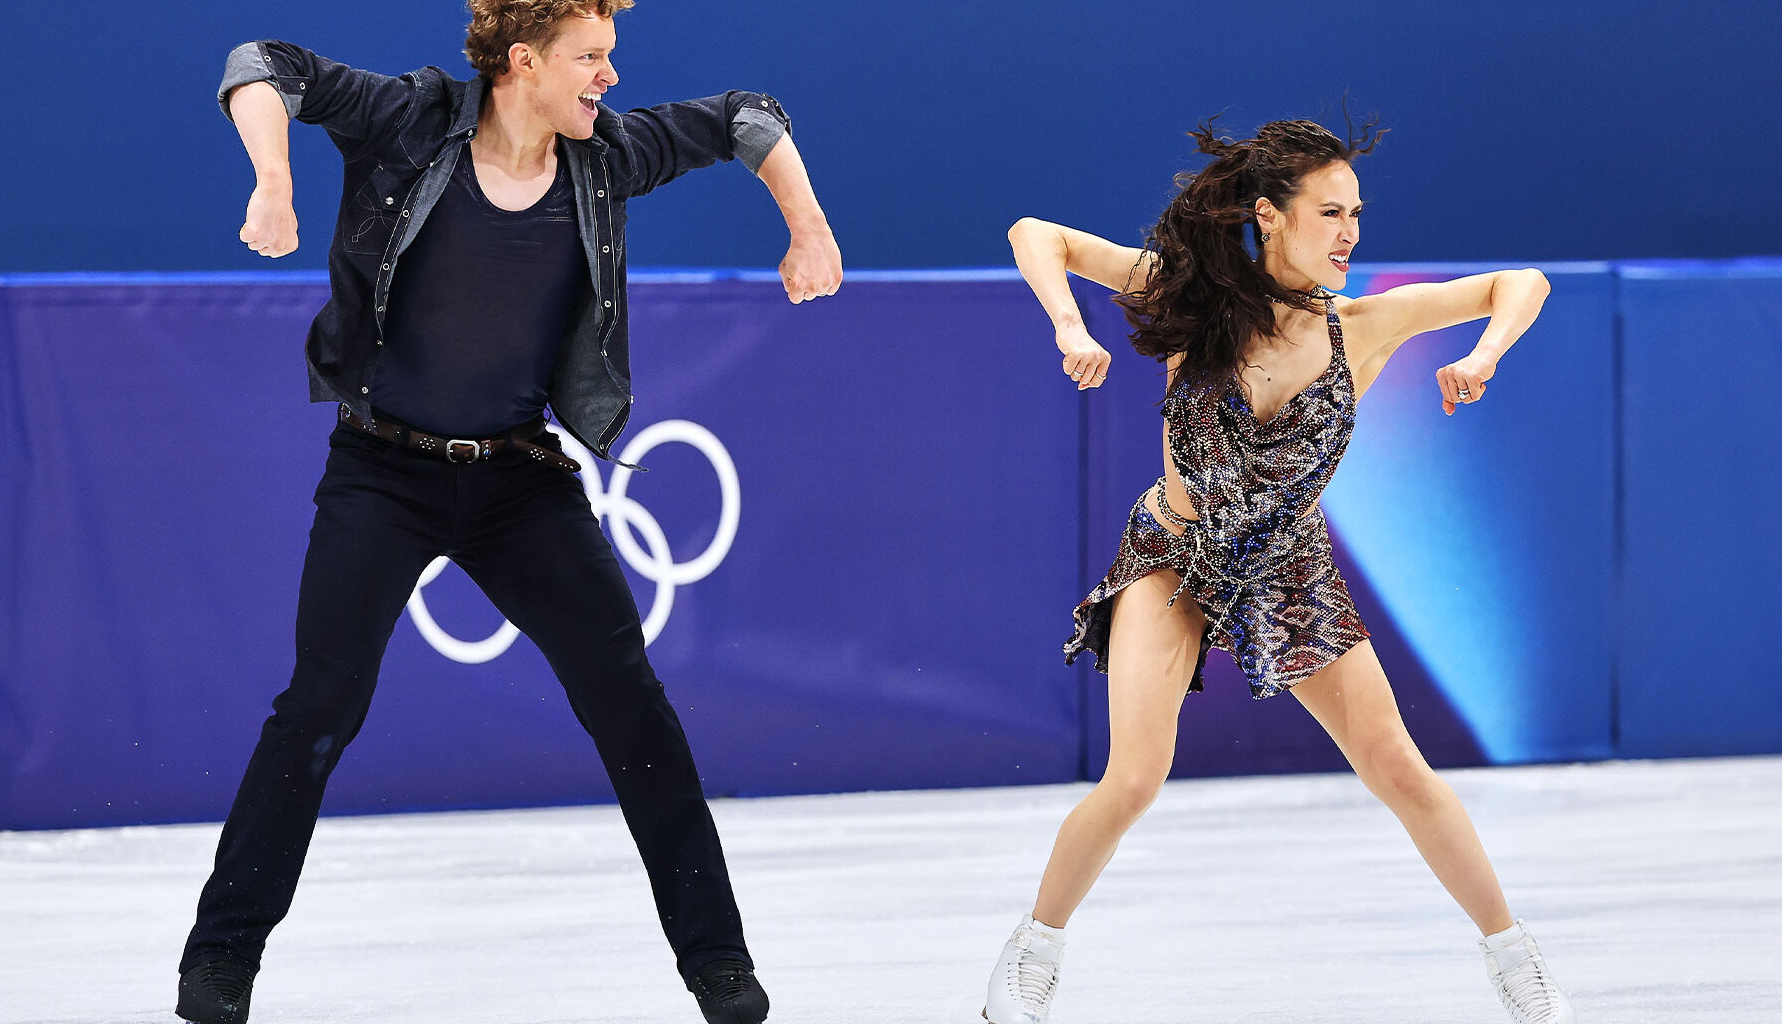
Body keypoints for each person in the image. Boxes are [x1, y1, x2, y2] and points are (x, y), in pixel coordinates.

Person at [177, 3, 841, 1023]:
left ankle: (719, 966)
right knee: (319, 706)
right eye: (592, 57)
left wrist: (809, 224)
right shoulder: (407, 120)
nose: (609, 77)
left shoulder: (606, 155)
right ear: (524, 62)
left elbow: (747, 117)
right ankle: (219, 963)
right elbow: (258, 63)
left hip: (520, 479)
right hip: (382, 472)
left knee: (631, 703)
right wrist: (274, 178)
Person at [984, 119, 1572, 1024]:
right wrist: (1069, 325)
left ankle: (1517, 964)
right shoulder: (1191, 300)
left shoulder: (1363, 326)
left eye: (1357, 214)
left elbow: (1521, 282)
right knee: (1135, 776)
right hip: (1173, 557)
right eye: (1331, 213)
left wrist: (1483, 353)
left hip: (1286, 568)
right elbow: (1037, 234)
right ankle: (1032, 955)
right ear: (1270, 215)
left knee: (1397, 767)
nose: (1350, 233)